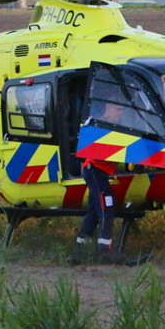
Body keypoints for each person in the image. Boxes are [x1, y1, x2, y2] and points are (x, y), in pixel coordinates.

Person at [71, 101, 123, 265]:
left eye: (121, 110)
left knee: (94, 212)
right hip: (95, 170)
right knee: (106, 207)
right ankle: (104, 251)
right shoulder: (99, 125)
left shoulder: (115, 125)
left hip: (99, 171)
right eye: (117, 109)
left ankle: (80, 251)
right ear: (107, 108)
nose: (120, 113)